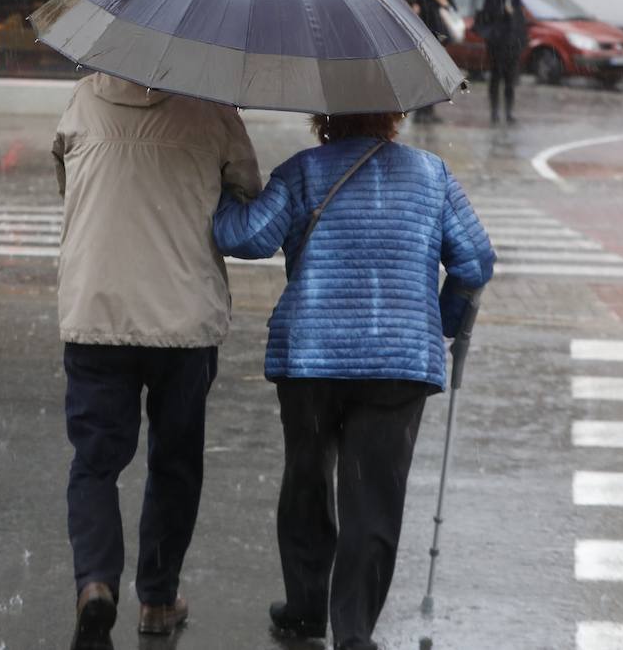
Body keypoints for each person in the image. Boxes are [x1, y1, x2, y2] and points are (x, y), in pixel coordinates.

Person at [212, 112, 494, 650]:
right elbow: (476, 261)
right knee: (373, 499)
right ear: (394, 115)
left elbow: (246, 237)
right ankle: (355, 631)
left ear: (324, 116)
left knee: (308, 479)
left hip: (312, 358)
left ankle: (306, 607)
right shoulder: (432, 174)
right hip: (398, 362)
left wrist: (221, 188)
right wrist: (444, 319)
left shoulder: (303, 172)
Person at [53, 72, 261, 648]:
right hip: (182, 315)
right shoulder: (213, 109)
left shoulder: (84, 98)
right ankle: (158, 598)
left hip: (97, 307)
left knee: (95, 461)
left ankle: (95, 582)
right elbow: (247, 193)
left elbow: (66, 182)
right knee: (175, 463)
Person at [476, 0, 528, 123]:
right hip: (497, 47)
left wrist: (521, 43)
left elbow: (520, 24)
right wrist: (502, 12)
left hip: (513, 48)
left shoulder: (517, 1)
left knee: (510, 82)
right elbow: (487, 19)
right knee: (495, 79)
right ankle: (494, 111)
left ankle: (509, 112)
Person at [413, 0, 460, 124]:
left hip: (440, 39)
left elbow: (453, 12)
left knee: (435, 77)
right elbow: (416, 11)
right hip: (424, 37)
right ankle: (421, 112)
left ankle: (430, 110)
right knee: (424, 75)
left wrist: (442, 0)